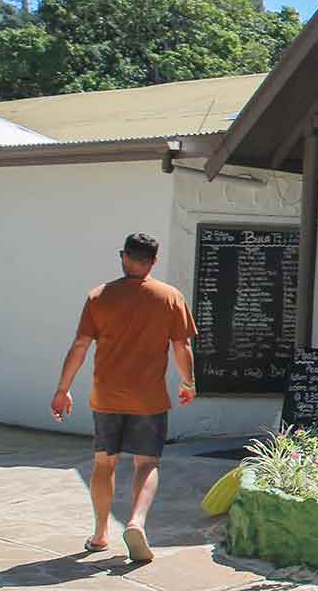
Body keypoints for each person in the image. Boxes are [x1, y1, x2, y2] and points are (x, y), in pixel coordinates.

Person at [51, 233, 198, 563]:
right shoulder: (170, 297)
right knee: (147, 463)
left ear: (124, 257)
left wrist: (63, 389)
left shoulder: (99, 296)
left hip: (106, 398)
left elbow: (79, 346)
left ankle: (100, 534)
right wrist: (188, 382)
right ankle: (136, 522)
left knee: (104, 464)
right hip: (149, 399)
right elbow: (182, 347)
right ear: (154, 261)